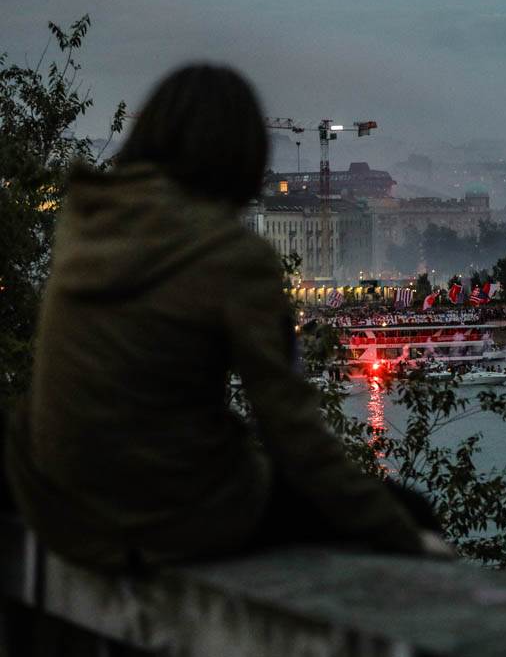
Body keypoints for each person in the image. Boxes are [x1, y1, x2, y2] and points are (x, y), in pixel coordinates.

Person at [5, 64, 444, 570]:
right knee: (412, 511)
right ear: (243, 154)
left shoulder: (87, 220)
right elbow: (293, 434)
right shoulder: (230, 254)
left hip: (59, 511)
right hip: (167, 517)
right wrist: (397, 528)